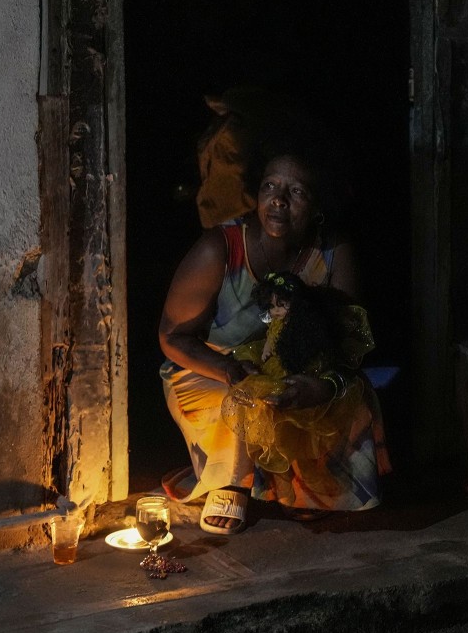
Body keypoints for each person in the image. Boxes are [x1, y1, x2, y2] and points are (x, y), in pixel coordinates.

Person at [159, 147, 388, 534]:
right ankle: (233, 482)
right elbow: (171, 337)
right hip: (212, 371)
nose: (278, 200)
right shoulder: (222, 248)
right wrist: (229, 369)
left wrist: (322, 385)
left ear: (317, 205)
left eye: (296, 192)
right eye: (270, 186)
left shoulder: (333, 251)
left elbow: (349, 342)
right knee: (239, 403)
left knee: (354, 393)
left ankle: (300, 486)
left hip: (291, 372)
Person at [221, 271, 375, 477]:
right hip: (277, 364)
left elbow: (330, 356)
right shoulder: (277, 324)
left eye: (281, 305)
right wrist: (266, 351)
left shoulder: (306, 325)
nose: (275, 311)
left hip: (301, 368)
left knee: (304, 423)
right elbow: (270, 340)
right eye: (272, 306)